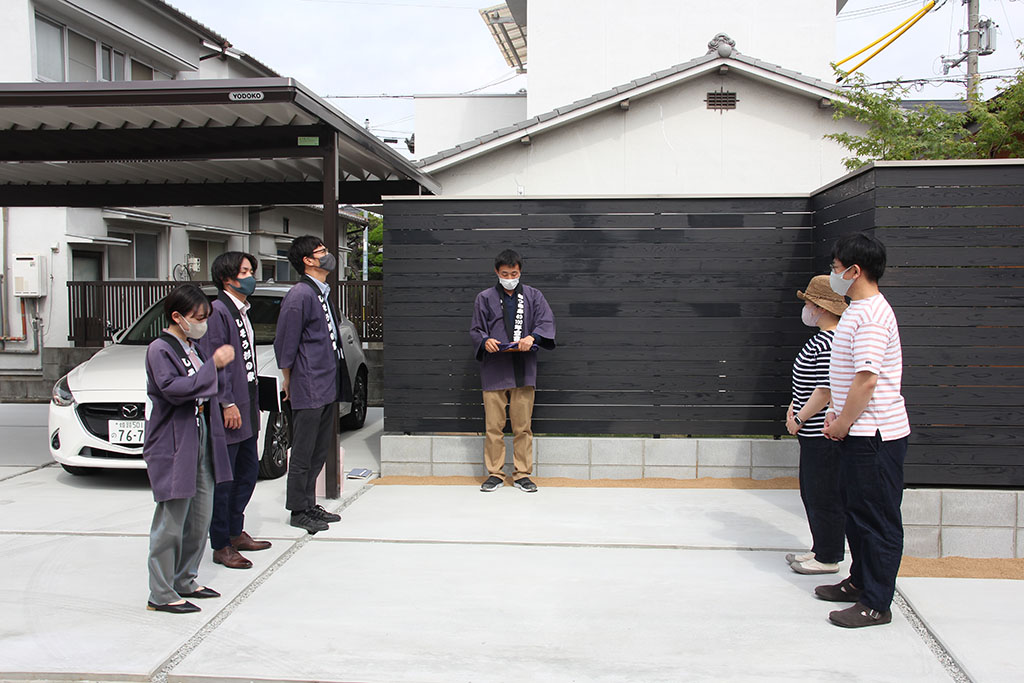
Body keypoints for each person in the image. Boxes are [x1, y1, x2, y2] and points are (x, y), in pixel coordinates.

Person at [818, 232, 911, 629]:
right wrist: (836, 417)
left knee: (876, 519)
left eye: (837, 269)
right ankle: (859, 582)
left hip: (874, 436)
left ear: (856, 271)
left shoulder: (872, 314)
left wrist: (841, 422)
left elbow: (866, 381)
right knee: (856, 513)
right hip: (856, 432)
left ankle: (877, 602)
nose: (833, 275)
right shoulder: (856, 308)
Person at [143, 284, 235, 614]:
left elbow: (204, 386)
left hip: (198, 432)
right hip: (173, 438)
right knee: (172, 517)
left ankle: (185, 578)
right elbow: (174, 389)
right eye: (197, 318)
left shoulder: (190, 346)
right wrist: (214, 364)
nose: (202, 323)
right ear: (177, 317)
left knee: (200, 513)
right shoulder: (160, 349)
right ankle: (162, 592)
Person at [274, 235, 352, 533]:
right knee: (304, 450)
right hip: (308, 384)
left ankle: (308, 503)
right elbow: (286, 341)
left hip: (325, 382)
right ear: (308, 260)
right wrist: (288, 379)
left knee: (320, 449)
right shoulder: (300, 295)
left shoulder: (321, 293)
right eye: (321, 252)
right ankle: (297, 508)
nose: (328, 255)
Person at [200, 252, 272, 570]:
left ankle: (235, 529)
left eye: (251, 270)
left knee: (247, 472)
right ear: (228, 278)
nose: (251, 275)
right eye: (245, 271)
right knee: (225, 478)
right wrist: (226, 401)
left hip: (249, 401)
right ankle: (221, 543)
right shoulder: (218, 312)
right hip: (230, 407)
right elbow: (216, 360)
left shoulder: (241, 311)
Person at [470, 249, 556, 493]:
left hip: (523, 368)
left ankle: (522, 473)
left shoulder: (533, 296)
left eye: (514, 273)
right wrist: (485, 340)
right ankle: (495, 473)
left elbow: (545, 323)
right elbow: (476, 329)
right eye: (505, 273)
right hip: (494, 368)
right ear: (497, 272)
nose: (510, 277)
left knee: (523, 427)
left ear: (520, 272)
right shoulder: (484, 298)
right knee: (493, 427)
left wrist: (533, 336)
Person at [785, 275, 847, 576]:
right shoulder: (823, 339)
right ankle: (819, 548)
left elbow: (825, 390)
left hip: (819, 433)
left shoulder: (831, 341)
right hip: (809, 431)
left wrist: (798, 418)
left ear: (821, 307)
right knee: (812, 493)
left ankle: (828, 555)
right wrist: (793, 409)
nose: (806, 308)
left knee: (823, 494)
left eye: (809, 302)